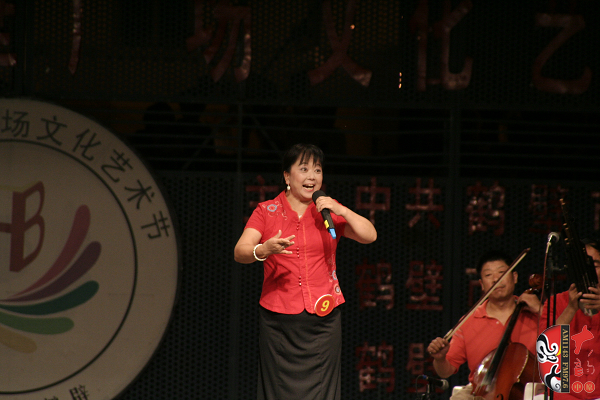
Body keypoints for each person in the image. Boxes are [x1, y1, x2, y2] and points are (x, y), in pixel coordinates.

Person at [234, 143, 377, 400]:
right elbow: (240, 251)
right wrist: (263, 249)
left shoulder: (327, 211)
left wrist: (342, 210)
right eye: (304, 169)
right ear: (287, 176)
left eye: (317, 170)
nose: (312, 176)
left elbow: (370, 235)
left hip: (324, 319)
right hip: (279, 322)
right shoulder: (267, 211)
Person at [426, 250, 543, 400]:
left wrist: (541, 310)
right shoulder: (468, 322)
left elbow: (564, 345)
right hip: (482, 393)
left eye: (502, 273)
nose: (496, 279)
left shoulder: (536, 313)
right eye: (488, 275)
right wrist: (440, 359)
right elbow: (445, 371)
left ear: (515, 277)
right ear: (481, 284)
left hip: (529, 392)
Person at [539, 234, 600, 400]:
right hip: (566, 392)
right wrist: (571, 309)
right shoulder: (556, 302)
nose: (588, 271)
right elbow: (547, 356)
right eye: (582, 266)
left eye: (594, 265)